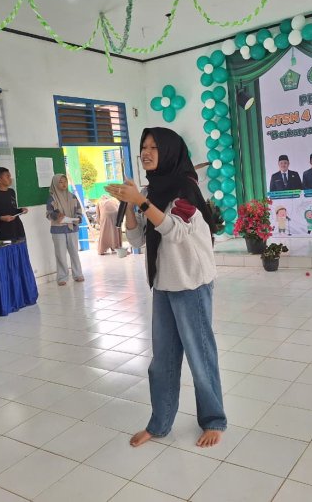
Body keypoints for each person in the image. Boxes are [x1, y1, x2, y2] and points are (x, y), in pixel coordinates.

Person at [106, 127, 227, 449]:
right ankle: (159, 423)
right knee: (162, 361)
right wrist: (131, 207)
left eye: (154, 147)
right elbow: (137, 240)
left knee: (200, 356)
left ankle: (213, 419)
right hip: (164, 283)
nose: (146, 153)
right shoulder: (153, 190)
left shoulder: (185, 189)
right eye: (143, 147)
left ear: (170, 151)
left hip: (190, 283)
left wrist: (142, 202)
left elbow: (175, 231)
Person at [46, 174, 84, 285]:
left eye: (65, 181)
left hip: (72, 228)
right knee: (61, 254)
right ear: (55, 184)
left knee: (74, 253)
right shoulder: (52, 199)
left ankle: (78, 274)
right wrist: (57, 216)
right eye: (61, 182)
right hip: (58, 230)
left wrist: (78, 218)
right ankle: (62, 277)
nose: (64, 184)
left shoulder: (72, 197)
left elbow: (79, 210)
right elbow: (48, 214)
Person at [0, 167, 27, 241]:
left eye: (10, 176)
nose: (10, 179)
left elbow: (13, 210)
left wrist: (21, 210)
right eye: (7, 177)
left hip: (18, 229)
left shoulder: (11, 192)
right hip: (5, 233)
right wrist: (1, 218)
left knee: (22, 247)